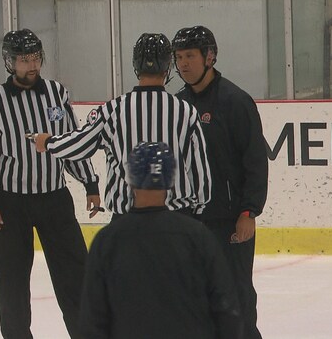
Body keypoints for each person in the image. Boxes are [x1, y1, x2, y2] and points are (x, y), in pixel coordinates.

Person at [0, 28, 102, 339]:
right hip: (9, 204)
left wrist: (90, 183)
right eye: (24, 60)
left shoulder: (57, 94)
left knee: (76, 278)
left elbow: (70, 144)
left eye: (36, 58)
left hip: (54, 200)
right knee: (12, 284)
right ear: (9, 62)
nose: (32, 65)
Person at [33, 33, 210, 217]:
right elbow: (199, 171)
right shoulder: (185, 111)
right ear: (168, 66)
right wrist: (197, 210)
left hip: (127, 221)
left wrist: (48, 142)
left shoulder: (113, 110)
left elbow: (79, 145)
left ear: (136, 65)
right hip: (175, 219)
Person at [79, 142, 243, 338]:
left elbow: (92, 321)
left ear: (130, 179)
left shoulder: (107, 241)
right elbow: (226, 309)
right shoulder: (197, 236)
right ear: (170, 179)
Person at [172, 25, 269, 339]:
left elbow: (254, 161)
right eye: (178, 57)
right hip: (190, 223)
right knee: (196, 299)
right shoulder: (177, 105)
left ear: (209, 57)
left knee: (237, 299)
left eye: (190, 56)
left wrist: (248, 212)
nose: (183, 64)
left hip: (230, 222)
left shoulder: (235, 101)